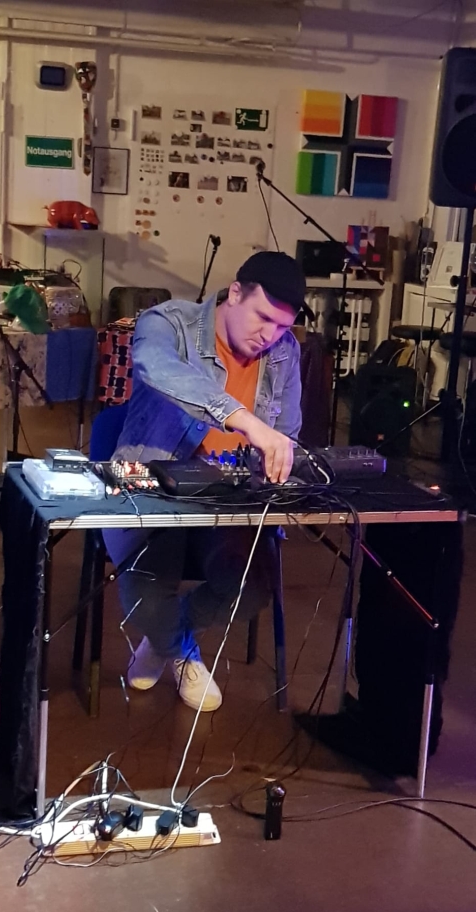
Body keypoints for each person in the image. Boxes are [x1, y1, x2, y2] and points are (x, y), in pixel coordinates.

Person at [103, 251, 306, 712]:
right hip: (148, 481)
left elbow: (286, 434)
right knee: (146, 596)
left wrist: (278, 461)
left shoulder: (284, 351)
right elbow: (156, 365)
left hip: (229, 496)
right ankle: (180, 648)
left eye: (281, 326)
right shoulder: (167, 322)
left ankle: (167, 639)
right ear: (234, 293)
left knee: (252, 587)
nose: (269, 335)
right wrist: (245, 421)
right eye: (262, 318)